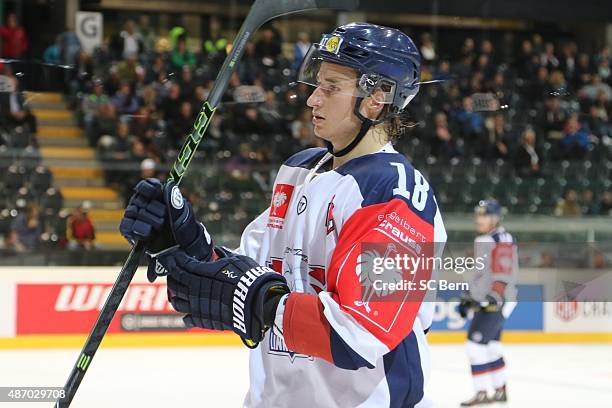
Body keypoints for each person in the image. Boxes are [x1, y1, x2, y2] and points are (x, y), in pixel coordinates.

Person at [120, 23, 447, 407]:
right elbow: (247, 273)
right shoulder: (300, 170)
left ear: (377, 97)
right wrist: (182, 238)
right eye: (317, 84)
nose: (313, 100)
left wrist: (263, 301)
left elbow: (359, 335)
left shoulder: (394, 194)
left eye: (332, 87)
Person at [458, 200, 517, 406]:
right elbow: (480, 274)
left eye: (484, 215)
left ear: (495, 217)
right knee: (491, 346)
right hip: (492, 299)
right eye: (478, 215)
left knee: (474, 347)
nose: (479, 219)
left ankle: (482, 392)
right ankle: (500, 391)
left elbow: (503, 269)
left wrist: (495, 294)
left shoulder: (501, 237)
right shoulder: (485, 239)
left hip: (497, 301)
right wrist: (470, 296)